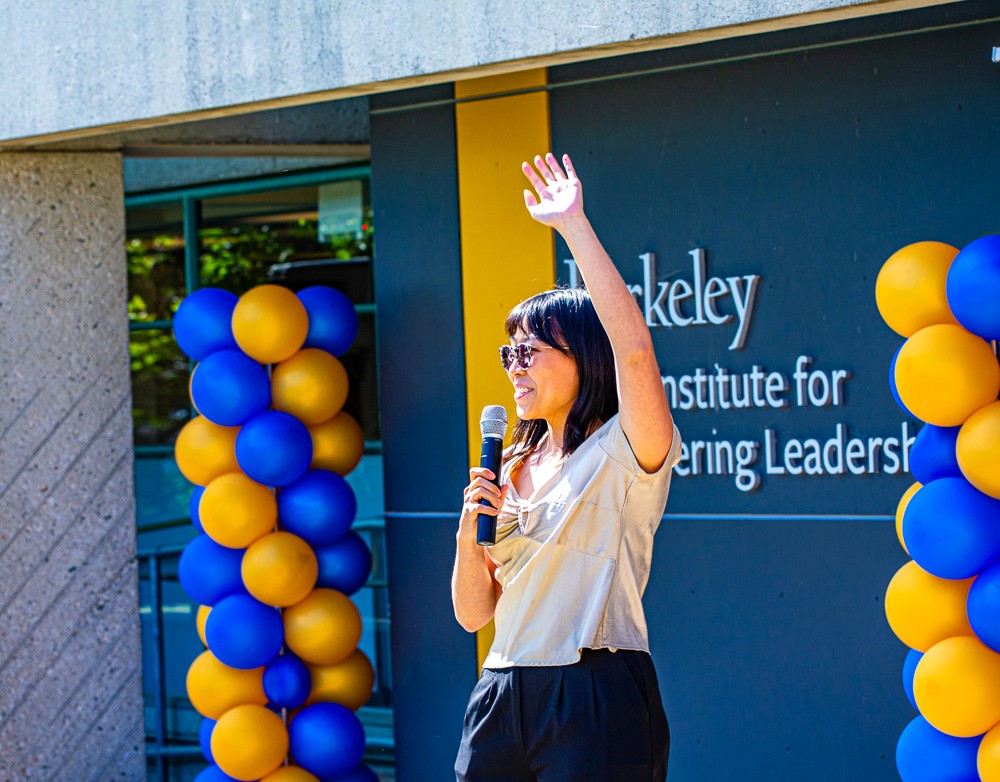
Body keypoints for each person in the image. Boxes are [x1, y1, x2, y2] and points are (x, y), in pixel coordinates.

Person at [451, 152, 683, 782]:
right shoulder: (512, 461)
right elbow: (474, 615)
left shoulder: (620, 452)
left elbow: (634, 352)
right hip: (500, 688)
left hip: (594, 689)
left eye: (530, 349)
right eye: (509, 351)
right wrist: (470, 538)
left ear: (583, 355)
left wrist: (574, 225)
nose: (514, 366)